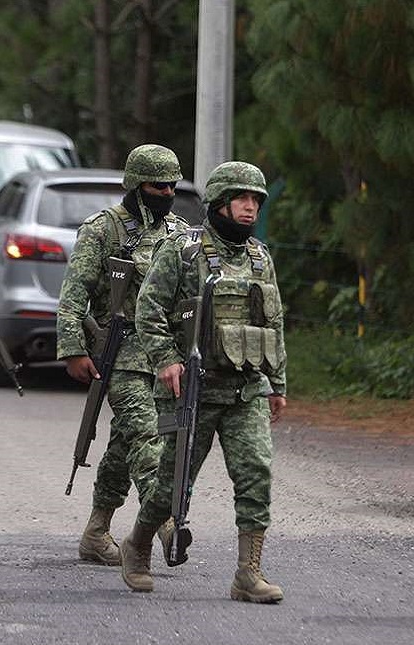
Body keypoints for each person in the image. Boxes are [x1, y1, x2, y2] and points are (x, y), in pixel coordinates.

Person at [119, 161, 287, 603]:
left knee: (256, 475)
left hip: (245, 389)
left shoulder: (259, 256)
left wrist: (278, 382)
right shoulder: (182, 250)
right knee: (174, 483)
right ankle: (137, 544)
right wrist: (166, 360)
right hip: (191, 388)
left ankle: (248, 574)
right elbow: (148, 309)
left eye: (255, 200)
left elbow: (273, 321)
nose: (250, 207)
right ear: (219, 203)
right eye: (242, 199)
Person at [57, 144, 187, 565]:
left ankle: (96, 532)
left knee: (122, 446)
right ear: (134, 185)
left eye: (172, 186)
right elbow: (73, 296)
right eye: (156, 186)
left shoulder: (179, 234)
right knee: (146, 437)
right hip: (121, 355)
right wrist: (73, 350)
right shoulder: (102, 230)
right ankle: (166, 525)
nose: (166, 193)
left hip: (164, 356)